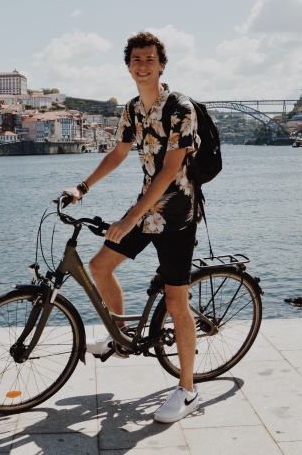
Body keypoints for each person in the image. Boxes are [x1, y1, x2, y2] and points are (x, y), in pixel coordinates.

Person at [62, 30, 200, 424]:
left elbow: (171, 170)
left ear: (161, 64)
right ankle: (119, 336)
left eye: (150, 59)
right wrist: (83, 187)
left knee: (176, 302)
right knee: (100, 265)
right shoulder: (132, 110)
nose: (143, 65)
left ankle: (188, 390)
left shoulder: (180, 108)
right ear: (128, 66)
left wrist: (129, 218)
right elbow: (120, 151)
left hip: (176, 215)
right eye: (136, 59)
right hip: (145, 208)